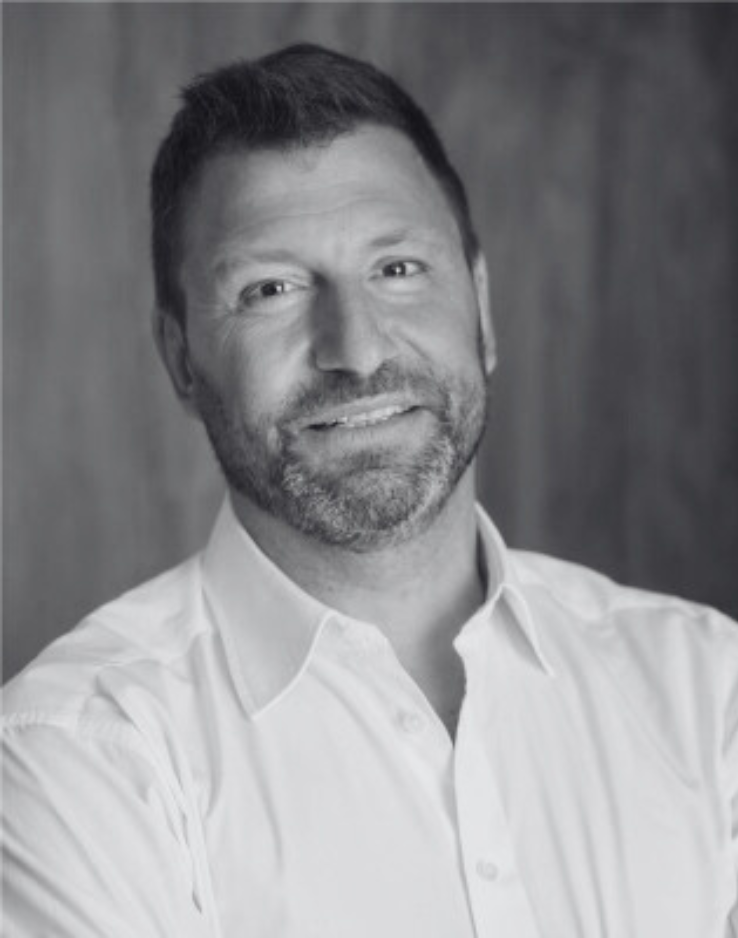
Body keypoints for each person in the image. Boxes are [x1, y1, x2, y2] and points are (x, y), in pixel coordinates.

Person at [2, 43, 737, 938]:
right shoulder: (78, 756)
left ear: (482, 309)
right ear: (181, 360)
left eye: (397, 270)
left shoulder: (707, 690)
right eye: (270, 289)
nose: (355, 348)